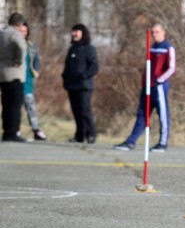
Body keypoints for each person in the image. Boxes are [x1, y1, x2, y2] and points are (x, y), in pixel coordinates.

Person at [114, 23, 175, 152]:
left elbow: (171, 68)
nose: (154, 35)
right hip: (147, 86)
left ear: (163, 32)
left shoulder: (168, 47)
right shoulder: (152, 47)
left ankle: (163, 143)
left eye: (157, 32)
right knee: (142, 114)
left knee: (162, 115)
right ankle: (131, 141)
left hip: (159, 87)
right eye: (153, 32)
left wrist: (160, 79)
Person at [62, 23, 99, 144]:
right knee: (76, 110)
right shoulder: (72, 49)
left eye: (76, 31)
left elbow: (94, 66)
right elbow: (67, 66)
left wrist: (85, 75)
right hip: (72, 86)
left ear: (83, 33)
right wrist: (64, 77)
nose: (74, 34)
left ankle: (91, 134)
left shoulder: (89, 49)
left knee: (84, 109)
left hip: (84, 86)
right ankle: (79, 135)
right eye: (73, 31)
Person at [0, 12, 28, 142]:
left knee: (5, 105)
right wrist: (19, 60)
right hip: (15, 73)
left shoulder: (2, 33)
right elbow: (22, 48)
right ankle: (13, 132)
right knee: (15, 105)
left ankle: (6, 132)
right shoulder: (15, 34)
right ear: (19, 24)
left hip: (2, 73)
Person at [21, 22, 47, 141]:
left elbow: (36, 60)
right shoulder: (9, 44)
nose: (22, 34)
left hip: (27, 80)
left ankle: (36, 129)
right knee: (14, 107)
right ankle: (14, 129)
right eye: (20, 31)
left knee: (30, 106)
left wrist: (35, 72)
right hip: (14, 80)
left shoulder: (31, 46)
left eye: (24, 31)